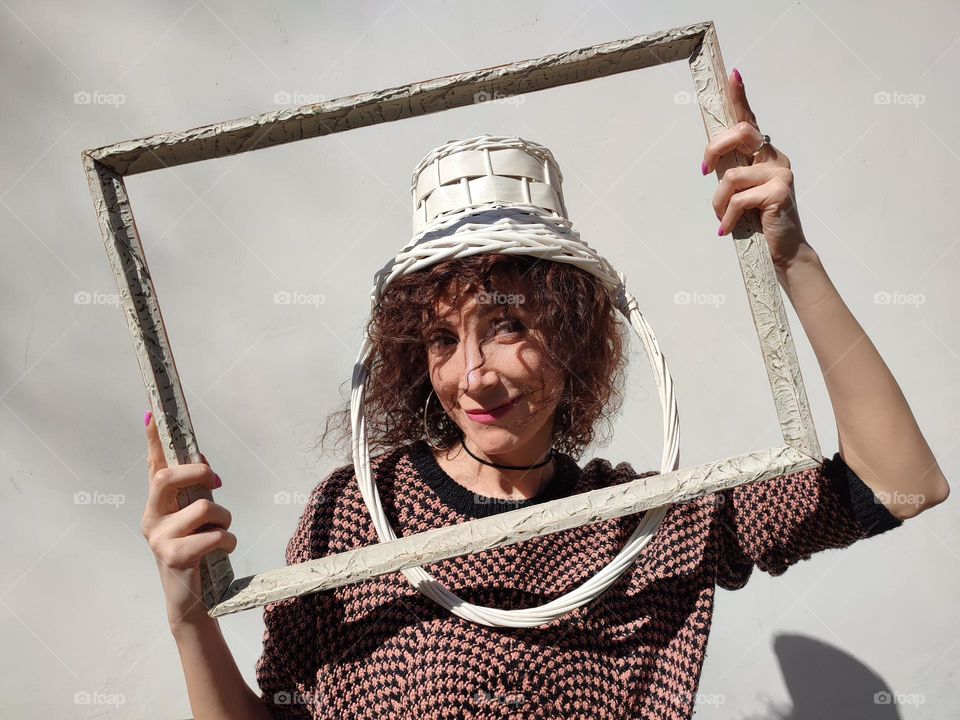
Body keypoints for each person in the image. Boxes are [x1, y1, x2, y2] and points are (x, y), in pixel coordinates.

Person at [140, 68, 950, 720]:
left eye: (507, 327)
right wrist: (189, 616)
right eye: (441, 339)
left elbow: (903, 483)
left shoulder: (647, 521)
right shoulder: (352, 513)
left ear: (574, 337)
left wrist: (792, 255)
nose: (473, 375)